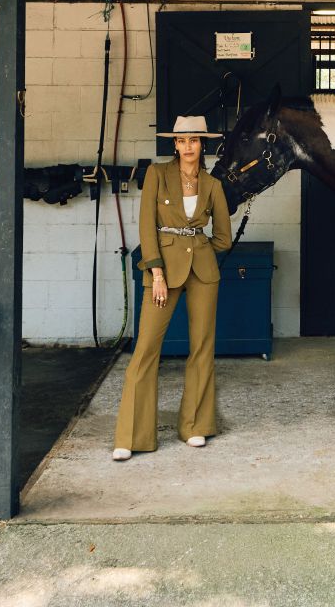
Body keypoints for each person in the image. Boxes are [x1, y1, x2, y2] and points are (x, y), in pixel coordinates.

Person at [112, 115, 232, 459]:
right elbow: (146, 227)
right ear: (175, 145)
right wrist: (158, 273)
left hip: (203, 273)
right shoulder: (157, 175)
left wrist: (200, 247)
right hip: (163, 272)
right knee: (146, 348)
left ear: (201, 144)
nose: (189, 146)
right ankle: (131, 437)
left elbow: (222, 237)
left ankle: (195, 426)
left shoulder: (213, 185)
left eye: (195, 140)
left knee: (202, 348)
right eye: (183, 140)